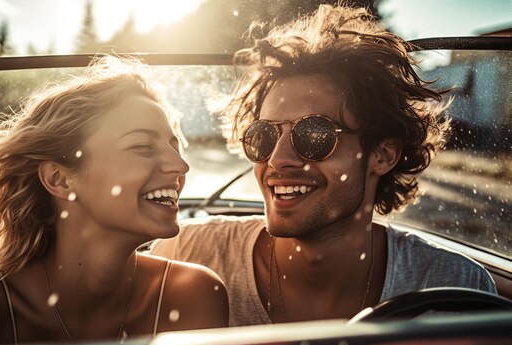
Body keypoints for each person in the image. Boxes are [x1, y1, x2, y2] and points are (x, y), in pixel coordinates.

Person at [150, 4, 496, 326]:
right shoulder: (188, 254)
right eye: (264, 135)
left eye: (314, 134)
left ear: (383, 154)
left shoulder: (453, 287)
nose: (278, 159)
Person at [0, 56, 228, 345]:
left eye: (175, 147)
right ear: (59, 179)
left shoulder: (194, 294)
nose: (181, 166)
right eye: (142, 146)